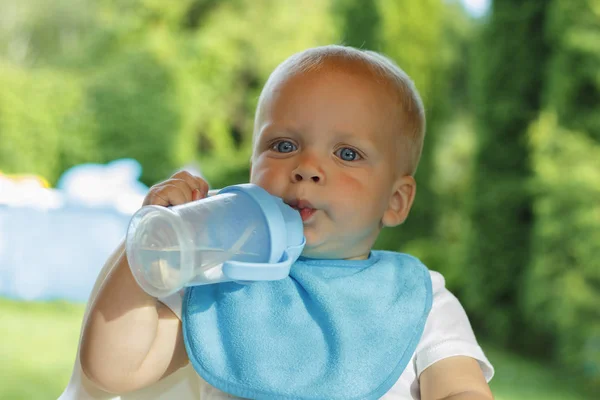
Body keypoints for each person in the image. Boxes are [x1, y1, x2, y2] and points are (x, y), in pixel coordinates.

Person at [72, 45, 494, 400]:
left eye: (347, 153)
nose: (307, 167)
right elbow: (113, 370)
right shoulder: (219, 275)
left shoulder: (419, 300)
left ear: (396, 201)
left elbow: (461, 390)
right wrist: (155, 241)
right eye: (284, 145)